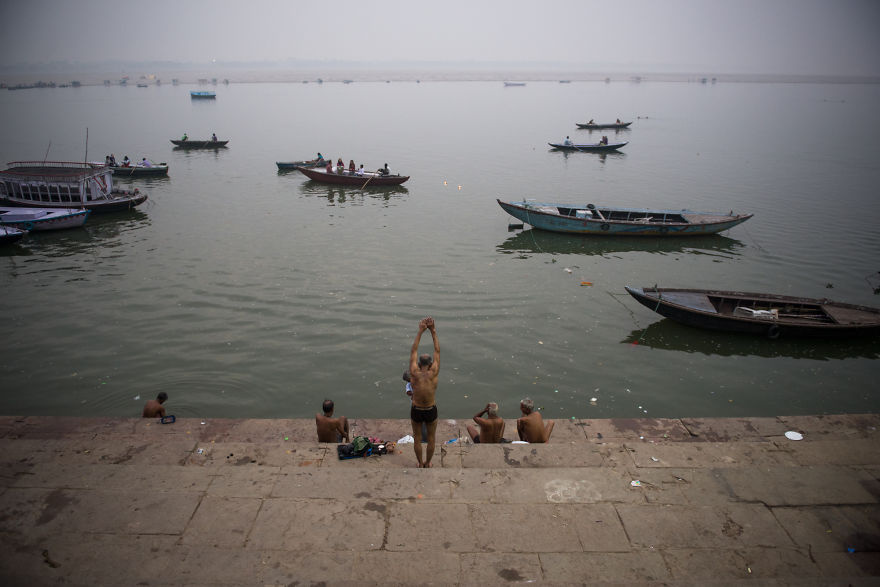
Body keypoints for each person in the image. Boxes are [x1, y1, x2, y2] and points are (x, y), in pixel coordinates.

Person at [408, 317, 440, 468]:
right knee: (431, 439)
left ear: (419, 364)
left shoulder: (414, 372)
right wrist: (433, 330)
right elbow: (437, 350)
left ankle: (420, 463)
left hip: (416, 409)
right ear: (431, 364)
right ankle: (428, 464)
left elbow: (413, 350)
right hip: (430, 409)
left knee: (417, 438)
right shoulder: (434, 372)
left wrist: (420, 331)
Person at [403, 370, 428, 439]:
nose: (408, 382)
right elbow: (408, 392)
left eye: (408, 380)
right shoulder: (409, 384)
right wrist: (412, 394)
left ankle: (424, 438)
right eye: (407, 381)